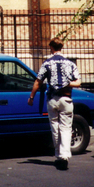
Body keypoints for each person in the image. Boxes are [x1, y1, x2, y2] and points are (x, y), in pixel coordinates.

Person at [28, 37, 81, 170]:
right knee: (66, 128)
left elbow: (38, 81)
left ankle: (58, 156)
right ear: (61, 47)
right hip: (66, 99)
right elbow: (78, 82)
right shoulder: (70, 64)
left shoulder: (46, 63)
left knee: (55, 128)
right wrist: (67, 83)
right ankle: (64, 156)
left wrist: (31, 97)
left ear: (51, 48)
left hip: (52, 99)